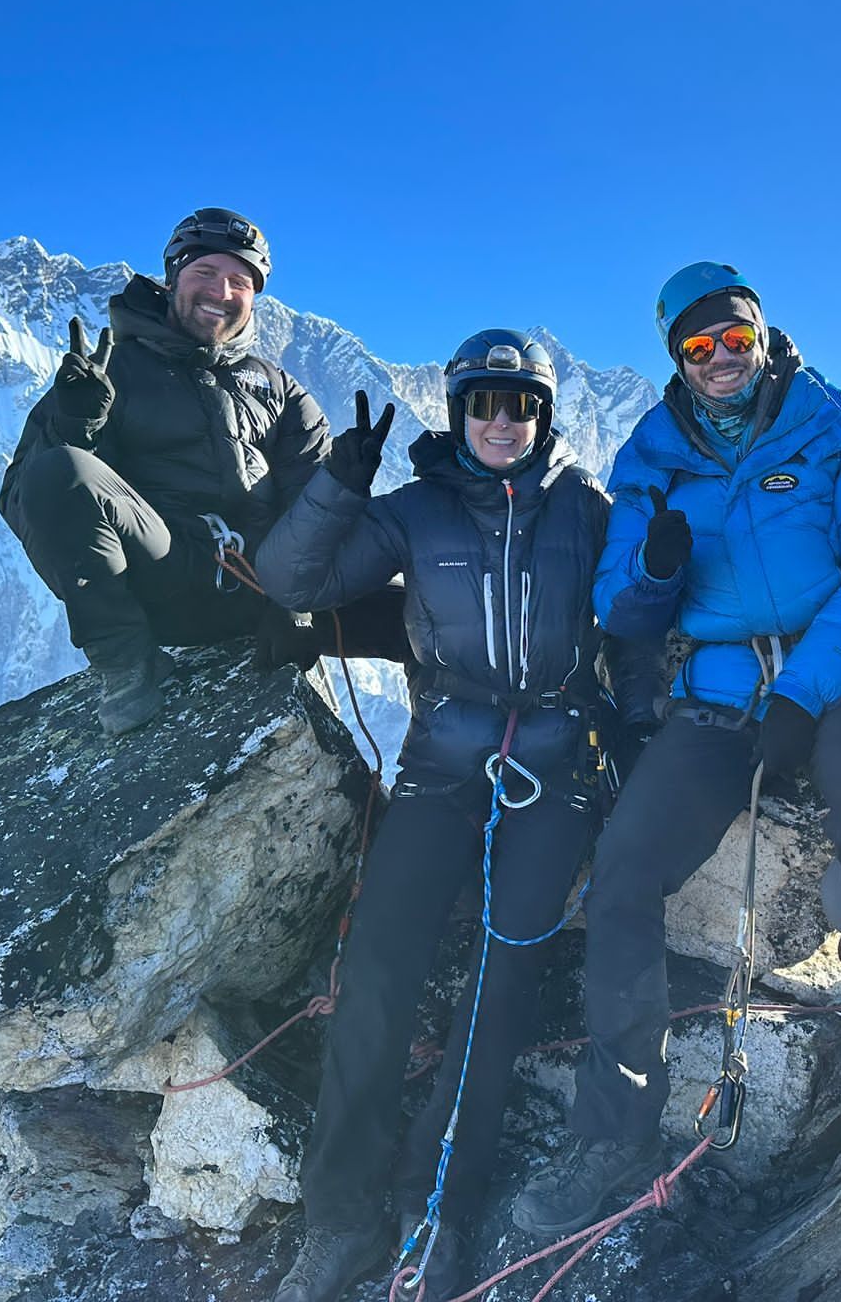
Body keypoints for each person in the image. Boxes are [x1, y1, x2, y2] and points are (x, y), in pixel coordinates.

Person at [512, 263, 841, 1241]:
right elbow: (619, 602)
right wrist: (652, 574)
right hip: (714, 694)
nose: (718, 360)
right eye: (697, 348)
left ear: (759, 336)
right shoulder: (650, 454)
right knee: (623, 868)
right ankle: (613, 1132)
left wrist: (802, 690)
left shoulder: (829, 424)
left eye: (732, 340)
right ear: (676, 358)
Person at [255, 330, 657, 1302]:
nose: (500, 422)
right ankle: (341, 1219)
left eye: (519, 405)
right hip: (441, 768)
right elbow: (291, 581)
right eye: (483, 403)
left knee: (498, 983)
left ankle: (436, 1210)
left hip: (553, 773)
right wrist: (335, 489)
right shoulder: (416, 509)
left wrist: (637, 744)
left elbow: (634, 628)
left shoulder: (586, 512)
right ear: (457, 411)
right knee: (378, 973)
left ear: (543, 416)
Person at [0, 207, 404, 734]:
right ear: (172, 278)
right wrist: (73, 425)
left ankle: (447, 772)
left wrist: (296, 598)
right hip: (170, 578)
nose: (222, 291)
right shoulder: (108, 373)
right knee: (61, 469)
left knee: (429, 614)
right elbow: (27, 496)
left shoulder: (280, 392)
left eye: (240, 280)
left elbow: (308, 501)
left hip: (272, 590)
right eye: (205, 273)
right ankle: (126, 666)